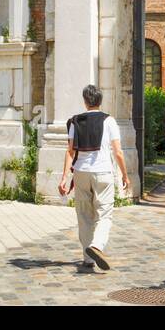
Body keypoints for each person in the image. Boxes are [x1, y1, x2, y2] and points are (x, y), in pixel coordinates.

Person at [58, 83, 131, 271]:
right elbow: (118, 151)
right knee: (104, 213)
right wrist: (125, 174)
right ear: (100, 101)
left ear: (85, 101)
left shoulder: (75, 121)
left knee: (84, 215)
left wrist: (64, 177)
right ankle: (97, 246)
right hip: (103, 172)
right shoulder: (109, 121)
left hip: (81, 172)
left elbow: (69, 151)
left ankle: (88, 259)